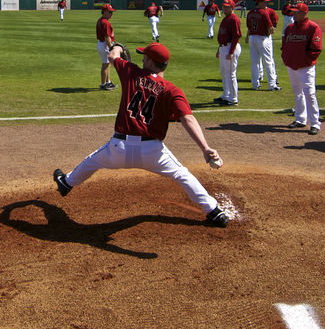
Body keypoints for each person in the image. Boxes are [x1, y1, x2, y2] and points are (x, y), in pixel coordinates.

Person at [52, 42, 230, 228]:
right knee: (182, 175)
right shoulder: (171, 90)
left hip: (118, 149)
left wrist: (118, 46)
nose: (142, 58)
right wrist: (205, 148)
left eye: (145, 56)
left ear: (152, 62)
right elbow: (187, 119)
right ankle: (214, 211)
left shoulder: (131, 72)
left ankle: (67, 182)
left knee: (92, 161)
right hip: (152, 152)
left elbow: (112, 57)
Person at [281, 2, 322, 134]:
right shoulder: (290, 28)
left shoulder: (313, 27)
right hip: (292, 65)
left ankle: (315, 123)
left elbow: (316, 49)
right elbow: (284, 46)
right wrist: (287, 58)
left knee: (309, 93)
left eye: (296, 12)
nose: (293, 14)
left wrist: (305, 61)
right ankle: (300, 119)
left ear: (304, 13)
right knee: (297, 92)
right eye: (293, 11)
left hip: (306, 67)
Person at [246, 0, 280, 91]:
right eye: (264, 2)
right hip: (263, 38)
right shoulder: (264, 13)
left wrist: (247, 37)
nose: (266, 4)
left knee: (255, 62)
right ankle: (272, 85)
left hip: (252, 38)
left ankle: (255, 84)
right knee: (268, 61)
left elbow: (249, 27)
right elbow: (270, 30)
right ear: (259, 3)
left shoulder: (250, 13)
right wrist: (273, 30)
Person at [215, 0, 242, 105]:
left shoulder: (234, 19)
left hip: (231, 46)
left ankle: (233, 98)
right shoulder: (226, 18)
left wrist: (231, 52)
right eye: (224, 7)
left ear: (232, 8)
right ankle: (226, 95)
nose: (225, 8)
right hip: (224, 47)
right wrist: (219, 49)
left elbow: (236, 37)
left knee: (231, 74)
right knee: (224, 72)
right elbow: (222, 36)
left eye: (227, 7)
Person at [96, 5, 116, 90]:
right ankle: (103, 84)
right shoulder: (105, 22)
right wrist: (111, 47)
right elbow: (107, 37)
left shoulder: (101, 20)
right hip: (105, 44)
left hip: (103, 44)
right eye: (110, 12)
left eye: (112, 12)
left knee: (108, 64)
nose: (112, 14)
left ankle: (108, 82)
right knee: (105, 65)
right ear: (104, 11)